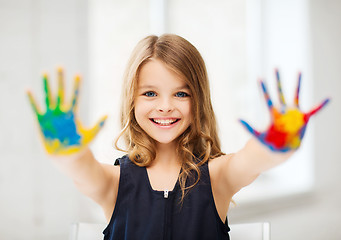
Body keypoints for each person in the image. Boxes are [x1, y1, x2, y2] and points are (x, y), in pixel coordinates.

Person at [27, 34, 329, 240]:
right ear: (131, 101)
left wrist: (277, 142)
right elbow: (80, 169)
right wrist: (67, 149)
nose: (165, 106)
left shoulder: (218, 176)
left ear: (198, 100)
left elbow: (253, 159)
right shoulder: (113, 182)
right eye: (150, 93)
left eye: (181, 93)